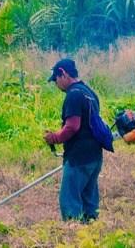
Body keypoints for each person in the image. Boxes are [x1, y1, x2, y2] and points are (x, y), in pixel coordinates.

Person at [43, 58, 103, 223]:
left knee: (69, 202)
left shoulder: (73, 95)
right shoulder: (90, 93)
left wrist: (53, 138)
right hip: (94, 156)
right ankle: (91, 234)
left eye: (56, 79)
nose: (56, 84)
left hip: (78, 158)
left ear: (63, 73)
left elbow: (72, 127)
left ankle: (74, 237)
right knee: (88, 200)